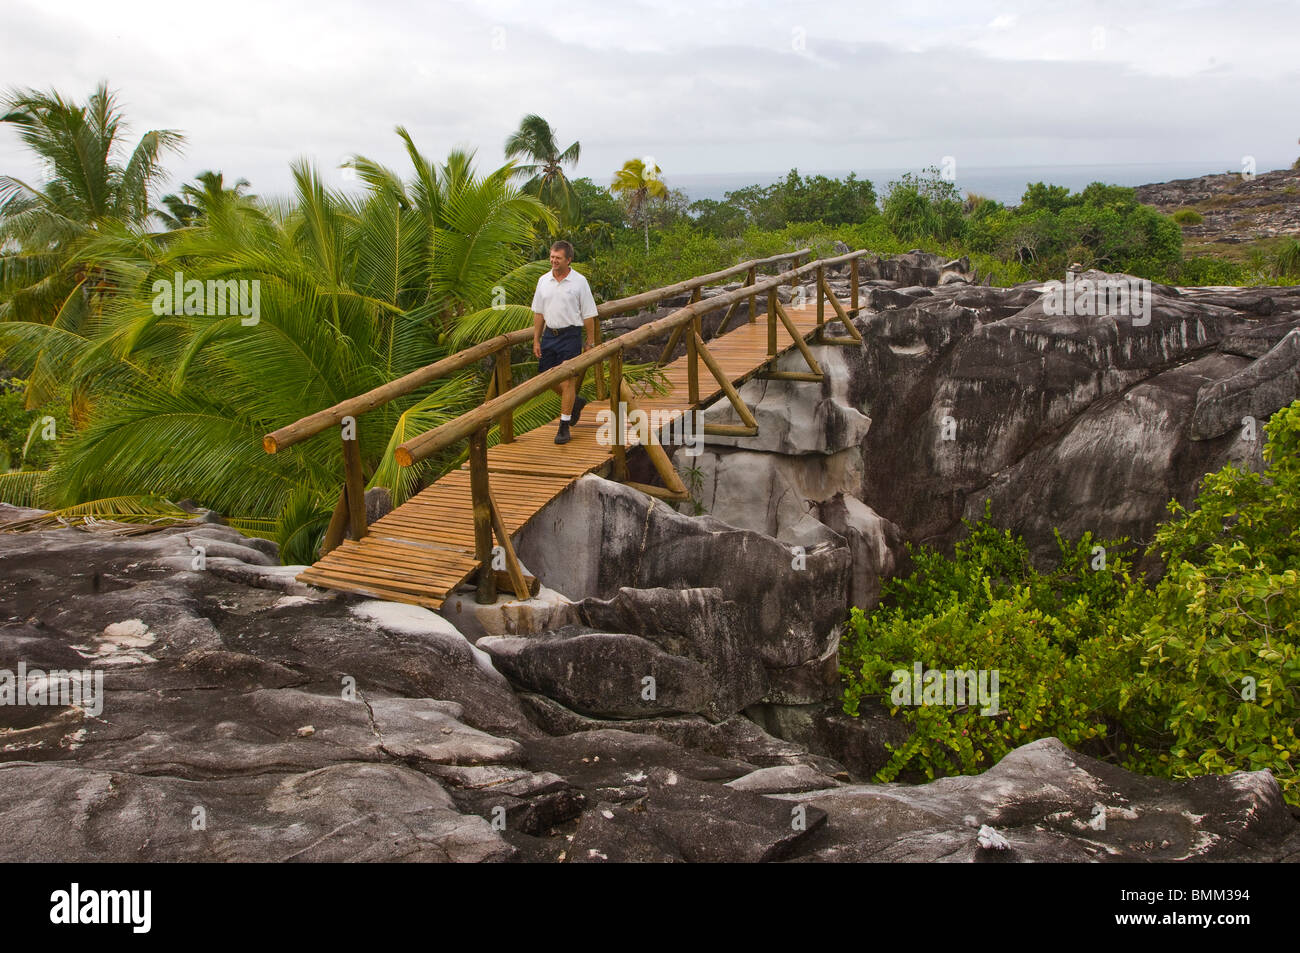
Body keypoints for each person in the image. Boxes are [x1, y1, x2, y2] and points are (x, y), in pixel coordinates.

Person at [531, 240, 599, 444]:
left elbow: (588, 314)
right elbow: (539, 312)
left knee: (568, 380)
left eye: (558, 258)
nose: (553, 261)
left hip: (571, 335)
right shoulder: (543, 280)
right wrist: (536, 339)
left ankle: (564, 425)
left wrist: (590, 342)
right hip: (549, 335)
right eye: (551, 257)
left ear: (568, 260)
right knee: (546, 377)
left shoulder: (579, 282)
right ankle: (575, 402)